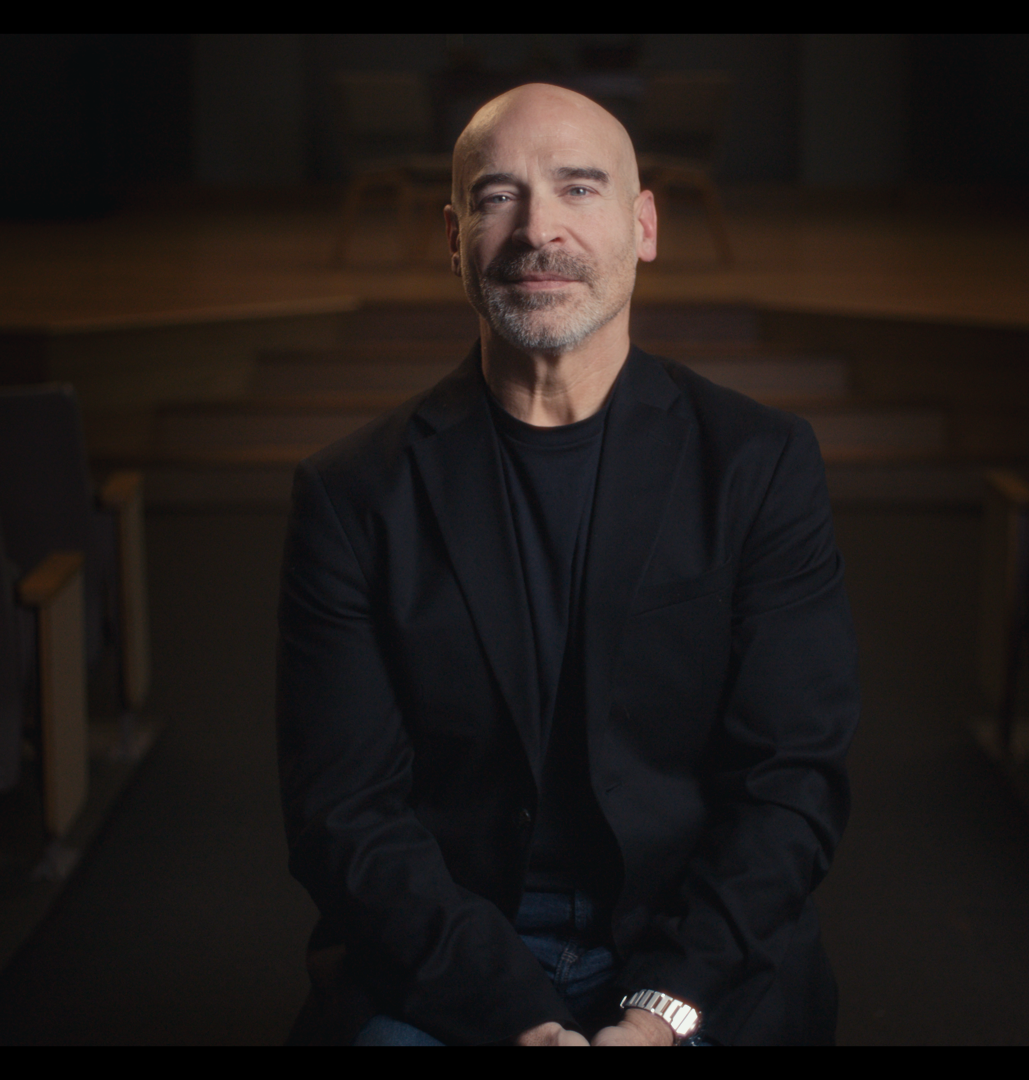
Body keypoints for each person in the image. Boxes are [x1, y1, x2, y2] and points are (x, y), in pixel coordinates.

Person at [277, 83, 858, 1046]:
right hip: (451, 951)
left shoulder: (759, 465)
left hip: (696, 947)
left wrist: (663, 1009)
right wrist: (514, 1017)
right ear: (454, 235)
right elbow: (346, 814)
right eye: (498, 195)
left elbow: (790, 781)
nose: (538, 227)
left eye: (579, 189)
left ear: (644, 226)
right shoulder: (352, 496)